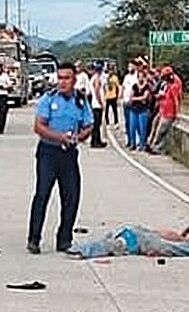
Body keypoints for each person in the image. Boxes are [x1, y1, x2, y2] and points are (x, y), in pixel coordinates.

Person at [26, 62, 94, 254]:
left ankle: (64, 239)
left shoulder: (80, 101)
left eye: (67, 78)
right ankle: (34, 238)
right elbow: (39, 127)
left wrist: (78, 138)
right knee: (42, 194)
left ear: (74, 80)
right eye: (60, 78)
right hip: (49, 152)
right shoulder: (48, 99)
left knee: (71, 196)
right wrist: (59, 137)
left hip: (69, 153)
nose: (62, 82)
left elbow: (88, 125)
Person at [149, 66, 181, 154]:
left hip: (169, 112)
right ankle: (154, 145)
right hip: (163, 109)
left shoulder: (174, 84)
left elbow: (176, 99)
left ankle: (157, 147)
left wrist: (177, 114)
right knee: (158, 127)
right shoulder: (168, 84)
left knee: (162, 130)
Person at [128, 71, 151, 151]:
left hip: (143, 109)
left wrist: (135, 98)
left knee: (142, 128)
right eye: (139, 77)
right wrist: (137, 99)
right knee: (132, 127)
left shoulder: (147, 87)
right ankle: (132, 143)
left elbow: (145, 97)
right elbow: (131, 96)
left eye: (142, 76)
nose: (140, 78)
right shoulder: (134, 86)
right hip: (134, 109)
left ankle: (142, 144)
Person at [89, 64, 108, 148]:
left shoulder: (94, 77)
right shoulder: (96, 78)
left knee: (97, 124)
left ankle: (98, 140)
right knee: (96, 124)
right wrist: (100, 102)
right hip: (96, 104)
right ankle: (95, 141)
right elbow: (97, 90)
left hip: (95, 103)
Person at [121, 61, 139, 147]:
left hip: (133, 102)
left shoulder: (137, 77)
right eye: (128, 66)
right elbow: (123, 87)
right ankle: (129, 140)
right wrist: (120, 97)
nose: (129, 68)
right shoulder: (126, 77)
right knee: (127, 122)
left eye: (131, 66)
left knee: (133, 123)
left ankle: (134, 141)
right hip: (126, 101)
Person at [104, 65, 120, 130]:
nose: (110, 72)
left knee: (115, 111)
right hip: (107, 96)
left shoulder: (115, 78)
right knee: (106, 111)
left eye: (111, 70)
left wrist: (118, 96)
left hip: (113, 96)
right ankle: (107, 123)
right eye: (109, 70)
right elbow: (103, 87)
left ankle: (116, 122)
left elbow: (118, 87)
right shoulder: (105, 77)